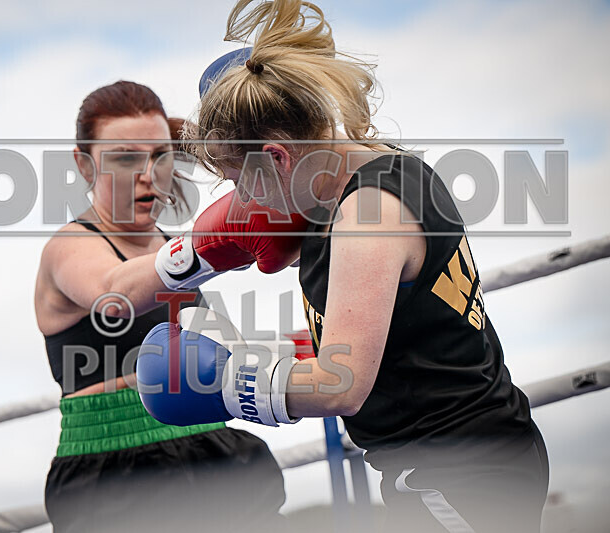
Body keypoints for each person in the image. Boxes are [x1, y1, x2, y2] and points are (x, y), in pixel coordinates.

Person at [136, 2, 550, 532]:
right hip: (474, 454)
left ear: (278, 157)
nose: (244, 200)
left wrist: (223, 384)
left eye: (243, 180)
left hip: (456, 475)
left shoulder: (367, 217)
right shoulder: (375, 168)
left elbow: (342, 385)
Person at [33, 80, 288, 533]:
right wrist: (210, 241)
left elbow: (209, 347)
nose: (148, 173)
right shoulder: (70, 246)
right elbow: (114, 294)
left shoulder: (173, 246)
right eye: (125, 157)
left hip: (210, 445)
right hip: (112, 468)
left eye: (159, 155)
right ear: (84, 164)